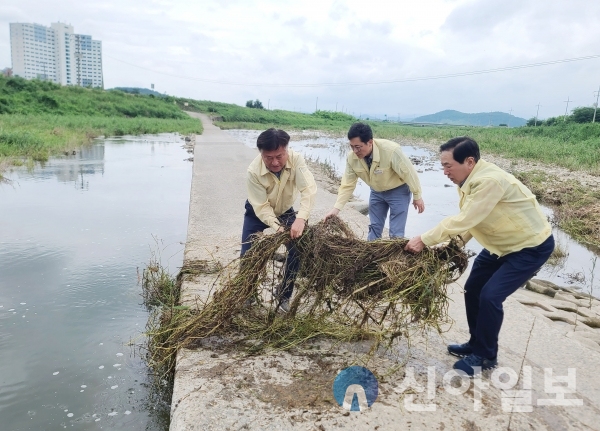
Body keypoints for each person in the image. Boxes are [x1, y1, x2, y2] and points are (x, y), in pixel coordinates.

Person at [405, 136, 554, 376]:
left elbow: (465, 219)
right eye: (442, 165)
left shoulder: (489, 181)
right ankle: (476, 344)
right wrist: (453, 247)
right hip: (498, 244)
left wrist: (425, 239)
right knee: (473, 288)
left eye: (447, 165)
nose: (444, 171)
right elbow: (474, 219)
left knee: (490, 296)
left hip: (529, 247)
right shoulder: (467, 180)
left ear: (470, 161)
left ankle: (486, 356)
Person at [242, 128, 317, 312]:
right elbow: (262, 207)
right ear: (261, 153)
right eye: (269, 158)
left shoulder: (296, 159)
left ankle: (283, 294)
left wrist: (300, 218)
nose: (275, 162)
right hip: (257, 211)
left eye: (279, 156)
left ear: (286, 150)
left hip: (285, 210)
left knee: (298, 249)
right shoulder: (253, 171)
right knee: (247, 254)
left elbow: (308, 189)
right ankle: (247, 293)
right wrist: (276, 227)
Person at [324, 122, 425, 240]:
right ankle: (372, 257)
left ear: (370, 142)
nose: (355, 151)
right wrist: (335, 210)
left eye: (358, 147)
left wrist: (417, 196)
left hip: (399, 191)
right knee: (374, 229)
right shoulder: (352, 158)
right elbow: (347, 185)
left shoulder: (391, 151)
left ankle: (395, 257)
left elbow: (409, 173)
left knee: (396, 234)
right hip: (376, 192)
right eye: (352, 147)